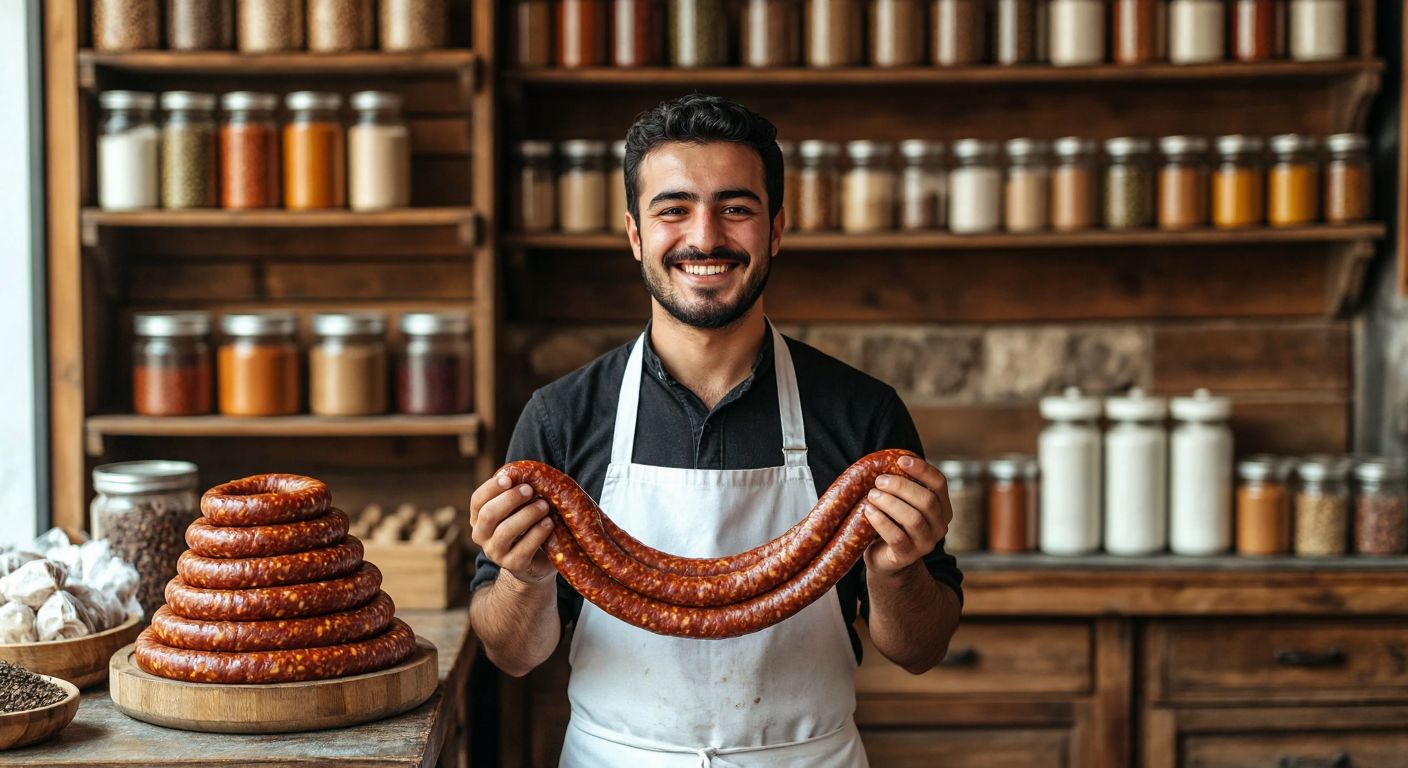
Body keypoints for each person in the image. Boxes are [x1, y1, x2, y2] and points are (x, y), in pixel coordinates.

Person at [469, 94, 963, 767]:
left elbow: (920, 650)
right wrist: (523, 580)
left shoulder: (863, 414)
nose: (705, 237)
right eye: (673, 209)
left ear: (777, 229)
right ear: (636, 233)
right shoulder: (561, 417)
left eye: (736, 208)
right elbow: (512, 654)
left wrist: (898, 571)